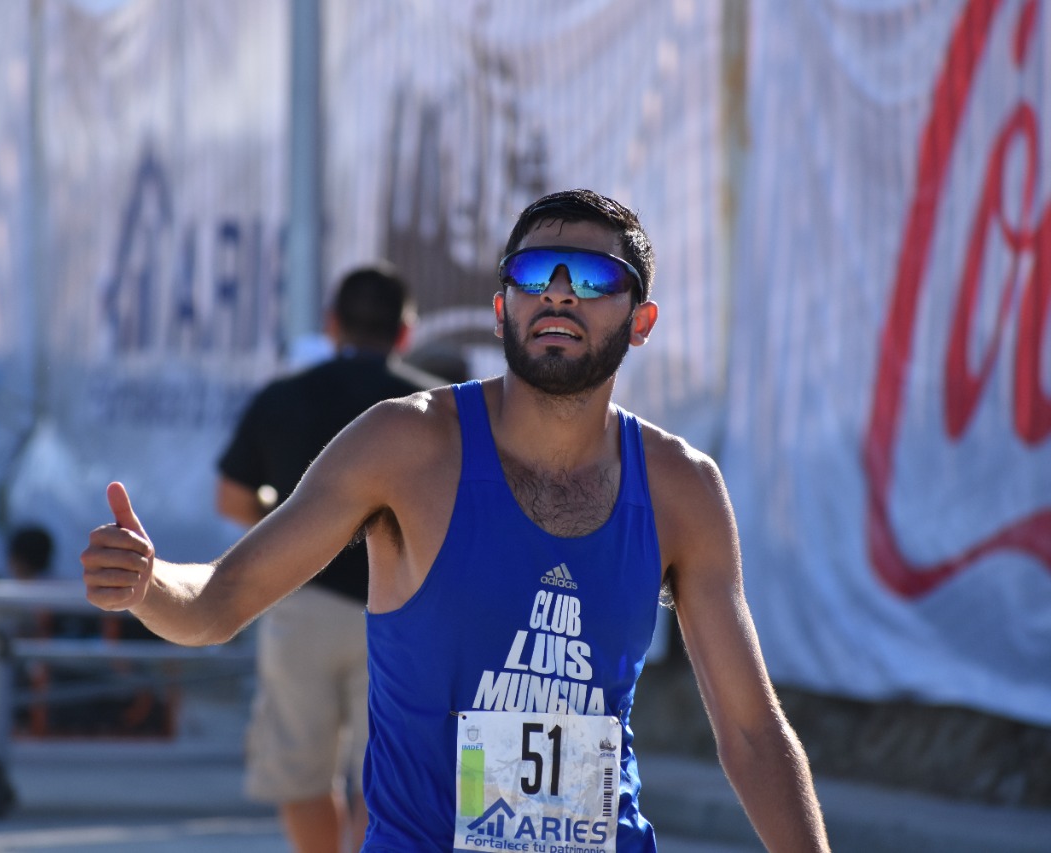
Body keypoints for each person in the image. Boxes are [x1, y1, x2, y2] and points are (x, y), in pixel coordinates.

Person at [82, 188, 831, 852]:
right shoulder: (404, 445)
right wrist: (149, 583)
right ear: (502, 306)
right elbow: (219, 599)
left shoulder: (682, 488)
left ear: (641, 321)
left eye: (595, 279)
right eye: (535, 275)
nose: (560, 295)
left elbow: (754, 734)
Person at [215, 263, 439, 853]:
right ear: (405, 332)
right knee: (384, 778)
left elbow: (232, 496)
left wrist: (301, 522)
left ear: (331, 323)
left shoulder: (283, 397)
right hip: (406, 609)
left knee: (301, 772)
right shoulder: (436, 408)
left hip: (301, 599)